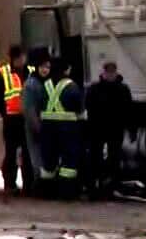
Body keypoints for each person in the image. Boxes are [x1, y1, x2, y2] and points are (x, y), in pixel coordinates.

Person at [85, 60, 132, 197]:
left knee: (110, 157)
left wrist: (129, 126)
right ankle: (101, 186)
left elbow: (128, 109)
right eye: (109, 73)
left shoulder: (96, 89)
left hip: (107, 128)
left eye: (112, 72)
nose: (110, 75)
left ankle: (105, 185)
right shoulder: (121, 89)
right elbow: (128, 109)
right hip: (104, 128)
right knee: (101, 157)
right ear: (104, 73)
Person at [40, 58, 86, 197]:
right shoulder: (72, 86)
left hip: (47, 128)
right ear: (66, 69)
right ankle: (67, 191)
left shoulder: (45, 84)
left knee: (49, 160)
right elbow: (79, 109)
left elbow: (40, 104)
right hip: (67, 129)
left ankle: (47, 190)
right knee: (68, 160)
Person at [0, 45, 29, 195]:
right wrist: (4, 113)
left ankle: (28, 183)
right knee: (11, 153)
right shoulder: (4, 73)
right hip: (11, 119)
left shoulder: (30, 72)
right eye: (19, 57)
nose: (22, 60)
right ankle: (10, 183)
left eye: (23, 57)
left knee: (27, 153)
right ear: (13, 58)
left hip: (26, 119)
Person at [21, 50, 52, 194]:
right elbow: (29, 109)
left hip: (47, 124)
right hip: (36, 125)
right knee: (36, 156)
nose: (45, 70)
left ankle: (43, 183)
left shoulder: (48, 83)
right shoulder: (31, 84)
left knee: (44, 155)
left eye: (47, 67)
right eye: (42, 67)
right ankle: (38, 183)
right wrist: (37, 126)